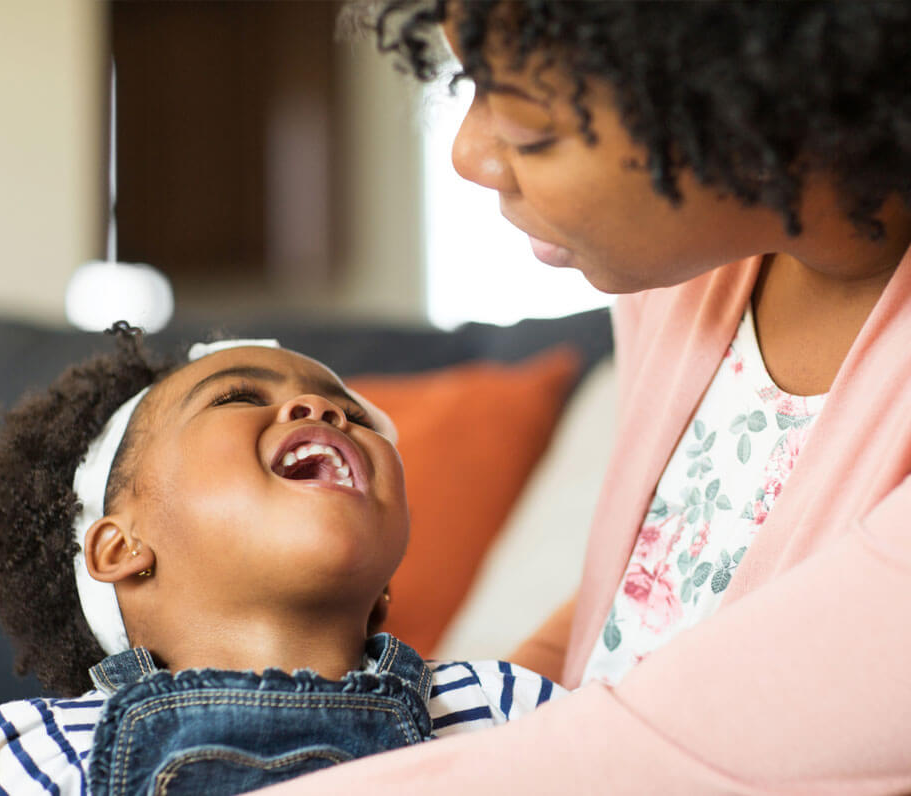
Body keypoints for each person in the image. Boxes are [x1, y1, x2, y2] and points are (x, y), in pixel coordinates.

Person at [256, 1, 911, 793]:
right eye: (472, 83)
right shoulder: (679, 284)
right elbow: (654, 591)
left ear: (758, 105)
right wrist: (470, 705)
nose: (470, 153)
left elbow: (673, 740)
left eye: (532, 128)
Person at [0, 325, 565, 796]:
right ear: (120, 548)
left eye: (356, 415)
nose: (326, 409)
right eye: (237, 398)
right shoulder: (36, 746)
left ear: (383, 593)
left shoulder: (499, 704)